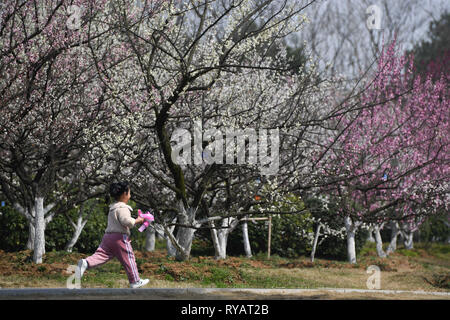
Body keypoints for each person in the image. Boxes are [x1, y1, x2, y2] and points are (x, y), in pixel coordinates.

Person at [76, 181, 150, 288]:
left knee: (101, 255)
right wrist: (138, 220)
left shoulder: (113, 207)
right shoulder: (123, 208)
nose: (130, 195)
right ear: (124, 194)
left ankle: (86, 263)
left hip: (108, 237)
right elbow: (127, 222)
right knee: (129, 258)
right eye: (129, 192)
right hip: (120, 238)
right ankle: (135, 281)